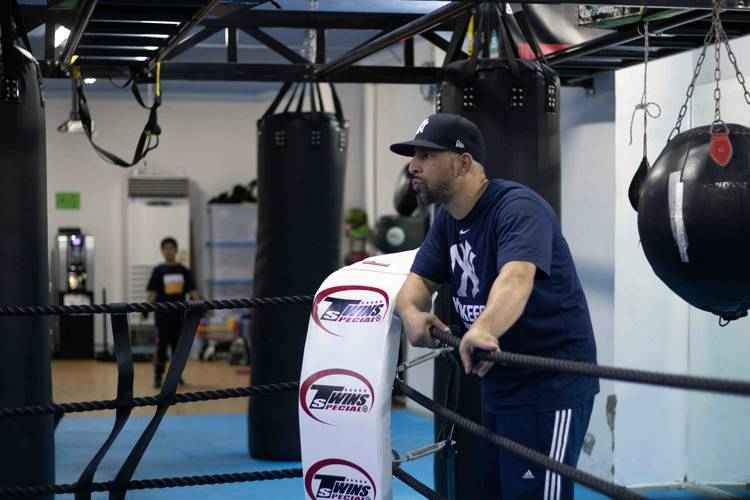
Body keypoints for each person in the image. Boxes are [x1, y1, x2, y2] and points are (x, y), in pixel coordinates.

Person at [391, 113, 599, 500]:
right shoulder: (448, 220)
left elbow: (516, 277)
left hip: (548, 381)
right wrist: (412, 312)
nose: (413, 167)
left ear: (464, 162)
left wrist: (484, 328)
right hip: (501, 383)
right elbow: (417, 281)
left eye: (426, 156)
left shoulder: (518, 208)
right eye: (413, 156)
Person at [146, 237, 200, 389]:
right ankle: (158, 376)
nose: (169, 251)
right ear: (162, 251)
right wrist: (145, 310)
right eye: (166, 248)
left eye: (171, 248)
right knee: (161, 349)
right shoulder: (158, 271)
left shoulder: (184, 271)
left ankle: (177, 376)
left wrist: (202, 307)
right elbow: (153, 293)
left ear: (176, 250)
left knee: (178, 350)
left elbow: (193, 291)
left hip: (179, 318)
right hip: (162, 318)